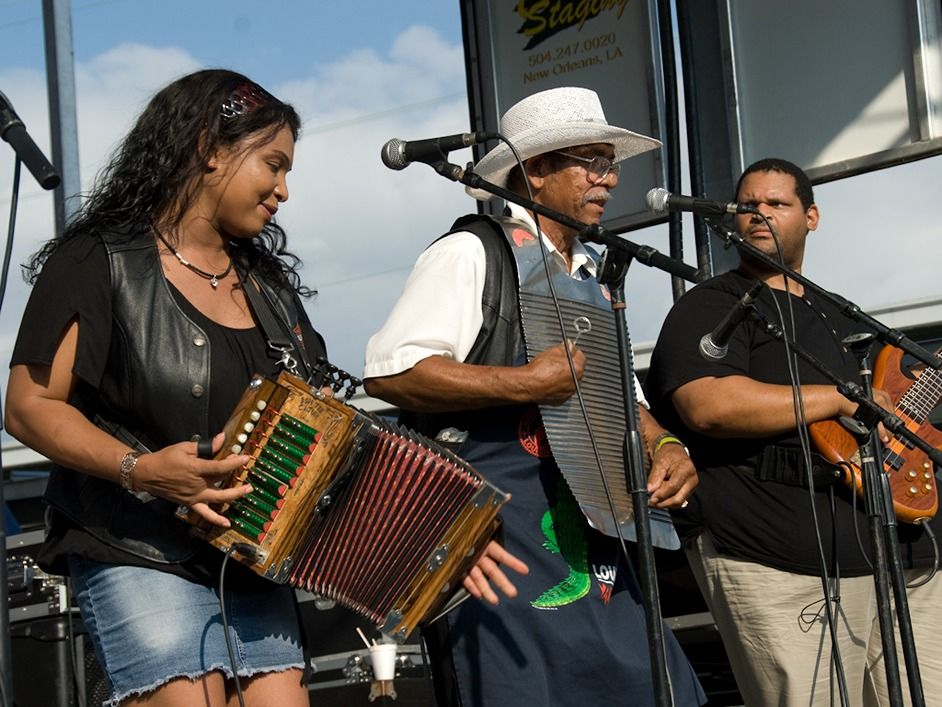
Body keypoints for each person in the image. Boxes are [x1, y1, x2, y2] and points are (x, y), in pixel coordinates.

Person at [363, 86, 705, 707]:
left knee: (653, 686)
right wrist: (525, 382)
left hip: (604, 527)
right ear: (537, 172)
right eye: (590, 161)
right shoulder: (472, 251)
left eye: (611, 163)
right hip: (500, 534)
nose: (607, 178)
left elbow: (619, 398)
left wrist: (667, 443)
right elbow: (392, 373)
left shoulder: (593, 272)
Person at [5, 69, 323, 707]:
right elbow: (28, 405)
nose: (284, 190)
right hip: (135, 546)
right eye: (273, 164)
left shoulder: (267, 286)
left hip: (249, 564)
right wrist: (140, 470)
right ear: (210, 149)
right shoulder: (98, 259)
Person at [645, 157, 942, 706]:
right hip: (774, 552)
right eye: (747, 206)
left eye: (776, 204)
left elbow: (895, 410)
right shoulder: (707, 305)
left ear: (812, 217)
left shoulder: (842, 317)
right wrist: (836, 397)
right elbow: (708, 405)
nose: (759, 215)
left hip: (894, 551)